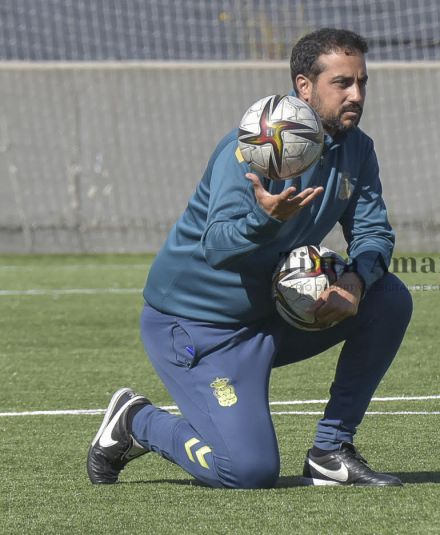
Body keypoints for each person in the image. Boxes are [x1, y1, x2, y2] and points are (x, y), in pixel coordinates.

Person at [86, 28, 412, 488]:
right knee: (247, 471)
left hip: (270, 319)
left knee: (388, 298)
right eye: (342, 83)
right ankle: (135, 420)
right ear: (304, 86)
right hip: (197, 328)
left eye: (362, 82)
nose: (356, 94)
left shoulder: (357, 149)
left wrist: (354, 283)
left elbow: (373, 232)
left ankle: (331, 451)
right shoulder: (252, 147)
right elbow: (217, 247)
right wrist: (266, 220)